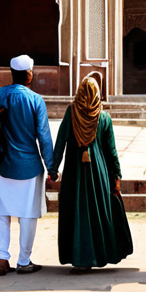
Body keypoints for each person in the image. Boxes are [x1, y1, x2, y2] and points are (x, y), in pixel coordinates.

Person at [49, 76, 133, 272]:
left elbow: (60, 143)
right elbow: (111, 152)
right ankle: (98, 255)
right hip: (98, 174)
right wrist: (116, 176)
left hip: (74, 173)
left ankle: (81, 258)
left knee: (78, 211)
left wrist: (53, 170)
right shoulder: (103, 117)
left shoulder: (71, 113)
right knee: (96, 212)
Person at [0, 55, 56, 276]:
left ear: (12, 73)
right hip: (29, 167)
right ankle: (24, 261)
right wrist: (52, 168)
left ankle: (2, 259)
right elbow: (44, 137)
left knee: (2, 214)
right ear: (30, 74)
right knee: (27, 215)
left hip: (2, 166)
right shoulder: (36, 100)